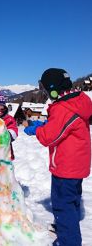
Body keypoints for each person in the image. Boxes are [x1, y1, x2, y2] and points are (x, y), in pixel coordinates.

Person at [23, 68, 92, 246]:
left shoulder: (63, 109)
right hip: (76, 166)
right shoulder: (77, 102)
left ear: (53, 90)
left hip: (66, 168)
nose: (46, 93)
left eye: (46, 90)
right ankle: (66, 226)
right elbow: (62, 126)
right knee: (72, 201)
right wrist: (45, 123)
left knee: (63, 204)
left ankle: (69, 240)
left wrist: (36, 129)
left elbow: (48, 137)